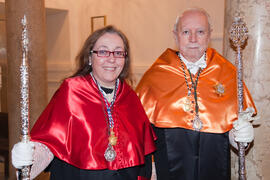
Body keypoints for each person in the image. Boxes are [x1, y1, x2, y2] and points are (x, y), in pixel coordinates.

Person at [11, 25, 156, 180]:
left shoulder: (130, 97)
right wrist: (27, 159)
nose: (112, 58)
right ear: (89, 57)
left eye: (119, 52)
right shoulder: (71, 90)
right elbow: (49, 142)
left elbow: (144, 156)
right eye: (103, 51)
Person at [136, 8, 257, 180]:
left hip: (216, 169)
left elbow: (231, 125)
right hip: (168, 171)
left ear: (209, 35)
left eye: (200, 32)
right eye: (186, 32)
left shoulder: (228, 73)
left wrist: (239, 137)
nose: (193, 38)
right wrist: (152, 166)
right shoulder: (154, 76)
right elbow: (143, 132)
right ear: (176, 35)